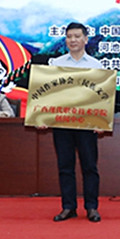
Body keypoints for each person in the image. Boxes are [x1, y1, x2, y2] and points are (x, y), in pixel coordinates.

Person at [41, 22, 104, 223]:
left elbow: (101, 97)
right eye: (69, 37)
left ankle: (92, 207)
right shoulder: (55, 63)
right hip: (62, 123)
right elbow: (48, 94)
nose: (73, 40)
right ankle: (68, 207)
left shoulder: (96, 65)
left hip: (87, 124)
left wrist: (101, 121)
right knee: (65, 167)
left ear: (86, 39)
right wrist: (42, 117)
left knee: (89, 167)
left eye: (77, 36)